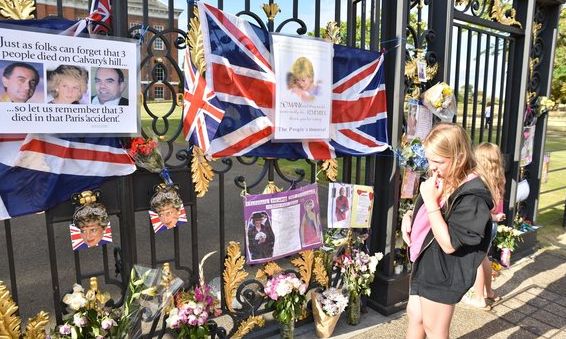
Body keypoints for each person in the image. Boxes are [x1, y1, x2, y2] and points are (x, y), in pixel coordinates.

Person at [400, 123, 494, 339]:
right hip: (426, 263)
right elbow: (429, 209)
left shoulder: (473, 197)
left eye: (438, 162)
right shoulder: (447, 177)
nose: (432, 168)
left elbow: (449, 243)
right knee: (415, 316)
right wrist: (410, 218)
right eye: (429, 160)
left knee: (435, 329)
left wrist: (430, 202)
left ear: (459, 157)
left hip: (444, 271)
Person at [462, 142, 506, 309]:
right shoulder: (499, 178)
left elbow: (481, 209)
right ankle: (489, 292)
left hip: (483, 223)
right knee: (484, 258)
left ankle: (479, 297)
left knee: (478, 260)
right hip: (493, 224)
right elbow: (497, 206)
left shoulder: (479, 180)